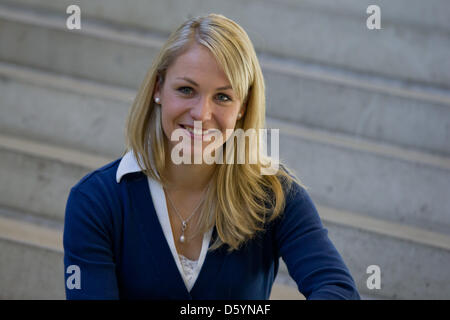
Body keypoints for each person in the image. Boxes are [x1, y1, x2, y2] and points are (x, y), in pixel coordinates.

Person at [63, 13, 360, 300]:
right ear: (158, 89)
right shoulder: (96, 200)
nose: (201, 114)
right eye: (186, 89)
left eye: (223, 97)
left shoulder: (276, 196)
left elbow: (338, 289)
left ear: (242, 107)